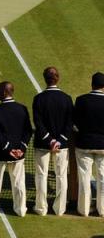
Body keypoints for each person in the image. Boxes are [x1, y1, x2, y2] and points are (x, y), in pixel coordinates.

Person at [0, 82, 32, 217]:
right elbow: (28, 131)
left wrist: (9, 149)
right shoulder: (23, 109)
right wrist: (21, 149)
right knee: (18, 183)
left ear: (4, 92)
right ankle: (21, 209)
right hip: (18, 154)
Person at [31, 66, 73, 216]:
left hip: (43, 144)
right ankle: (60, 209)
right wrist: (59, 141)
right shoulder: (67, 99)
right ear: (58, 78)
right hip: (61, 146)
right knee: (61, 176)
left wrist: (49, 140)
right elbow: (69, 123)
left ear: (45, 79)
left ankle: (41, 208)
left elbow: (38, 122)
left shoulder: (38, 99)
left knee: (41, 175)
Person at [73, 71, 104, 217]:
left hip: (84, 144)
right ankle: (102, 210)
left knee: (84, 177)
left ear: (92, 84)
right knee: (103, 177)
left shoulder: (81, 100)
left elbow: (75, 122)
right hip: (103, 146)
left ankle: (84, 210)